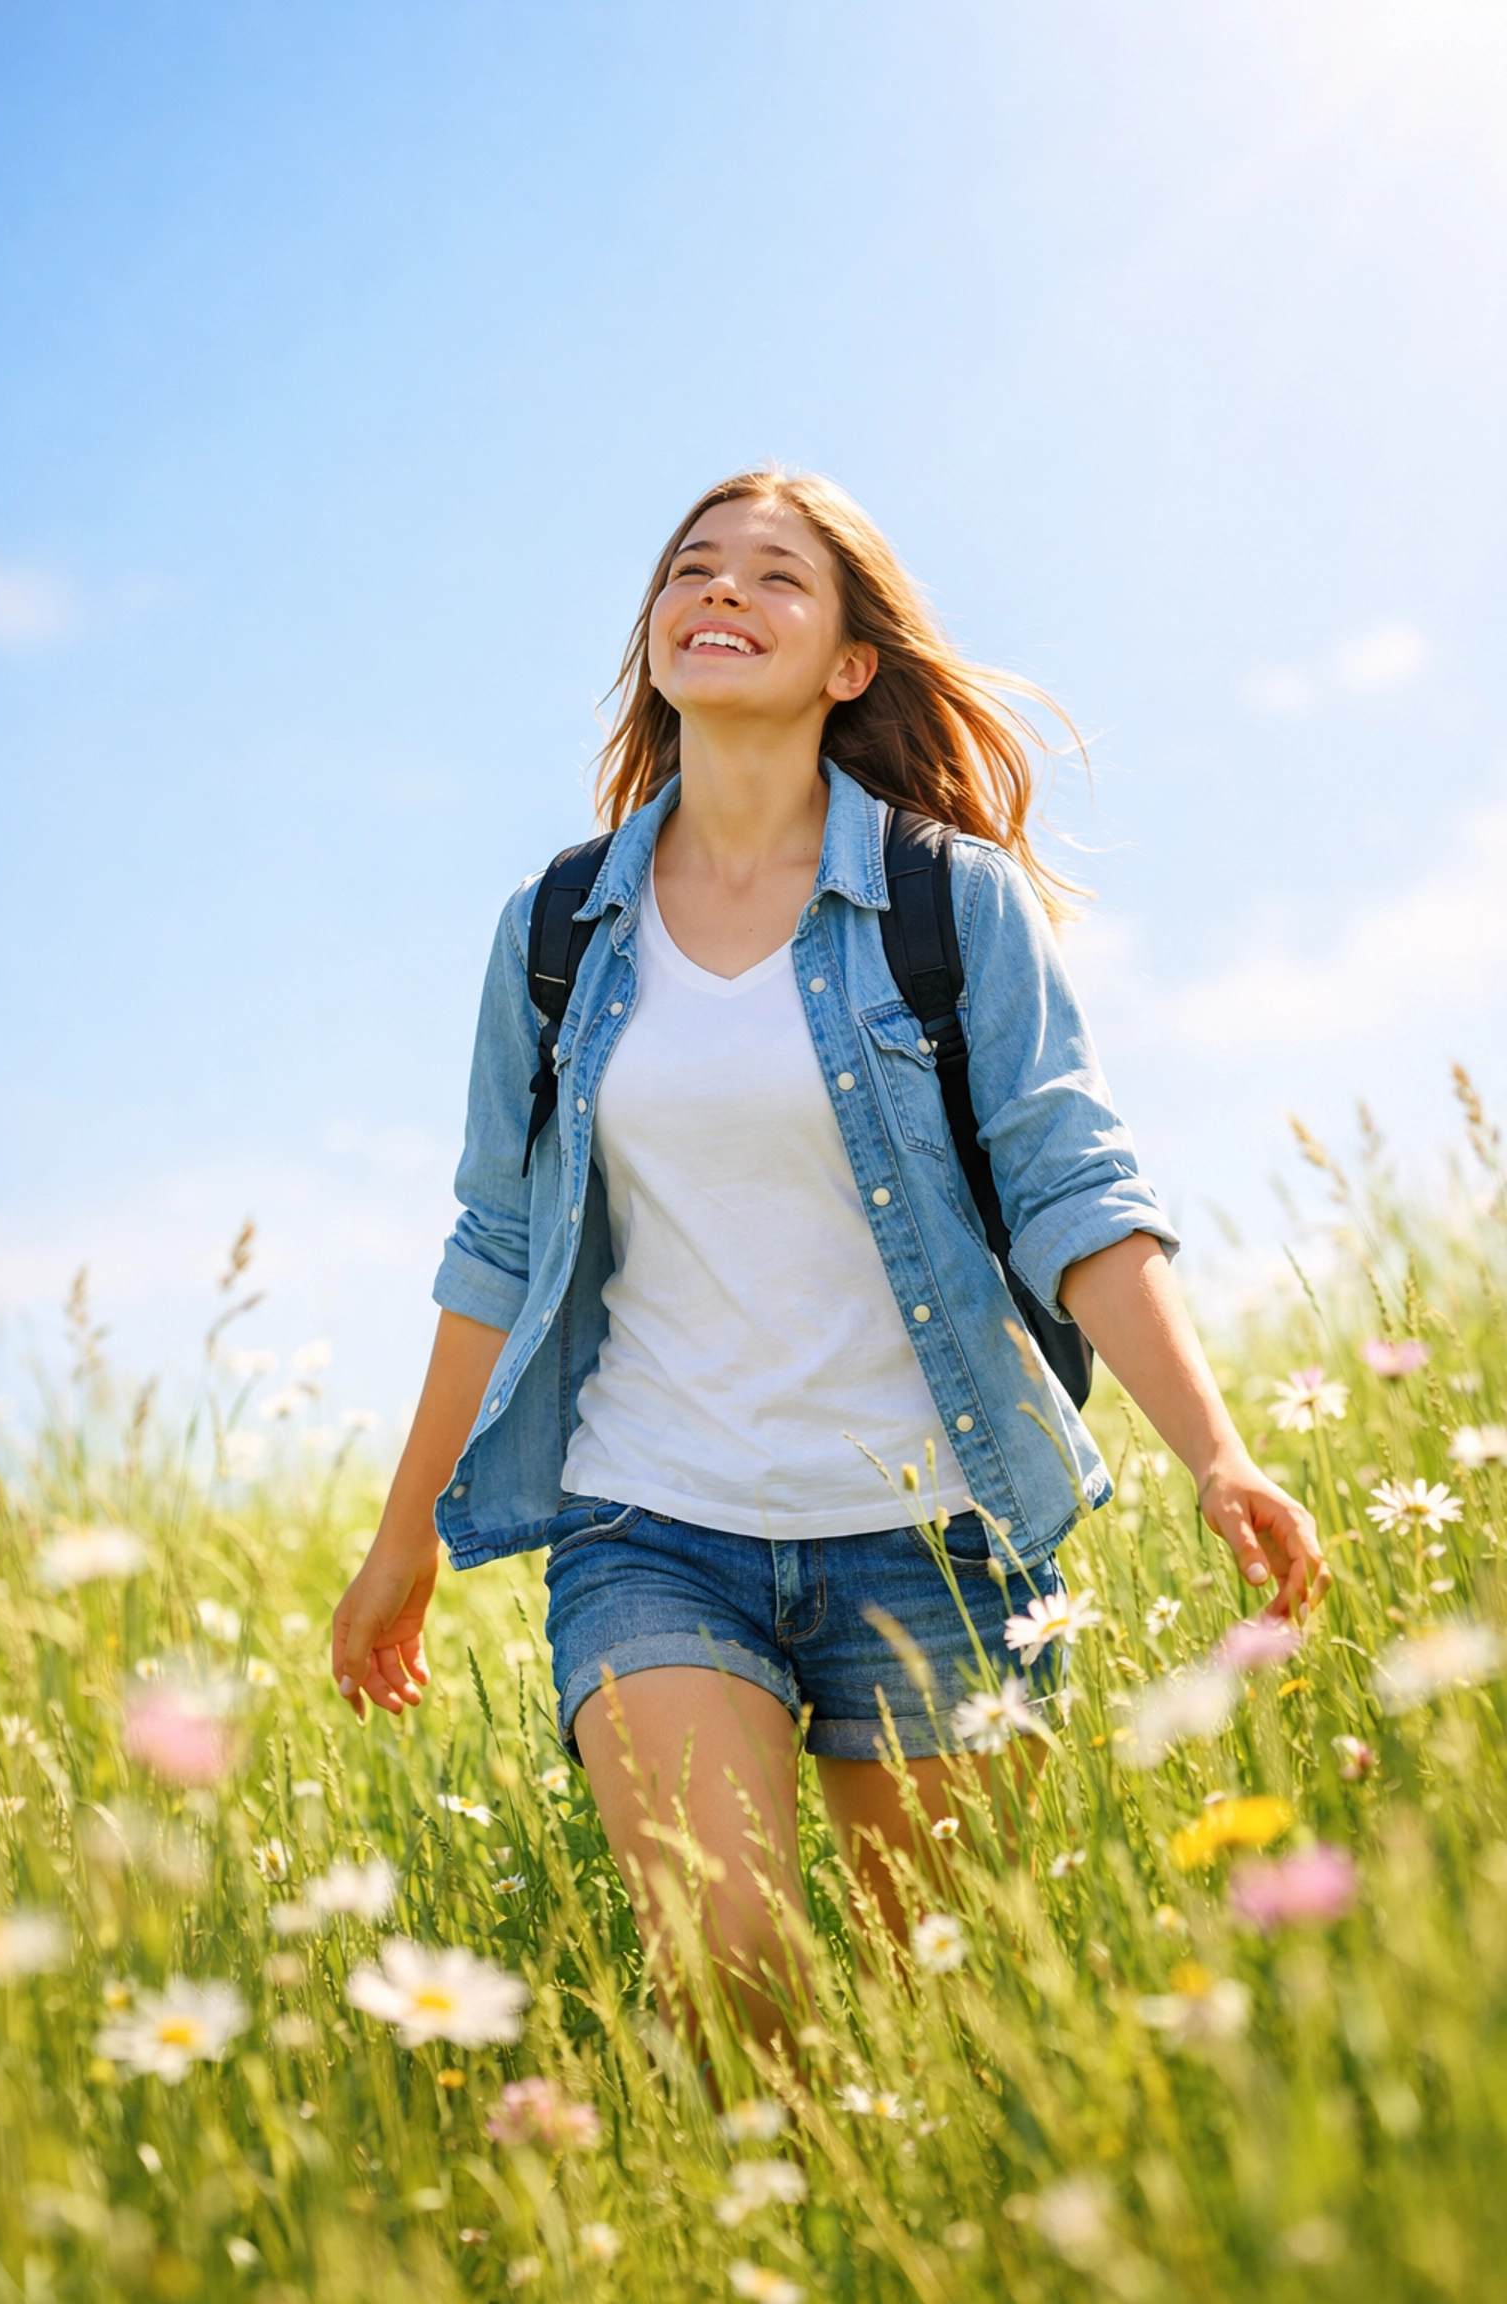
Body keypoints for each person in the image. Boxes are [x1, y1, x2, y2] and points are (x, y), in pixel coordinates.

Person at [330, 467, 1329, 2041]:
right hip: (651, 1520)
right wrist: (409, 1539)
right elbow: (498, 1241)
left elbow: (1076, 1192)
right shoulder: (558, 928)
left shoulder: (949, 903)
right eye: (693, 570)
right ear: (657, 633)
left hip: (929, 1538)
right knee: (740, 1974)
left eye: (775, 578)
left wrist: (1217, 1454)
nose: (720, 592)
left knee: (920, 2020)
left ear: (850, 664)